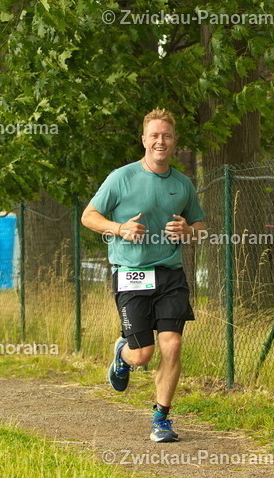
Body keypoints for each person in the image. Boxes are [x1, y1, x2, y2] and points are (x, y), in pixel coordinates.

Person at [81, 108, 206, 443]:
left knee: (173, 344)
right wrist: (118, 228)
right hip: (132, 275)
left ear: (175, 141)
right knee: (143, 355)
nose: (160, 141)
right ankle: (123, 354)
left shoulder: (182, 184)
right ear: (144, 140)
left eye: (166, 135)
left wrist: (188, 231)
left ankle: (161, 419)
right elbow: (89, 216)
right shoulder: (121, 178)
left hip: (170, 274)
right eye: (154, 135)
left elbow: (200, 227)